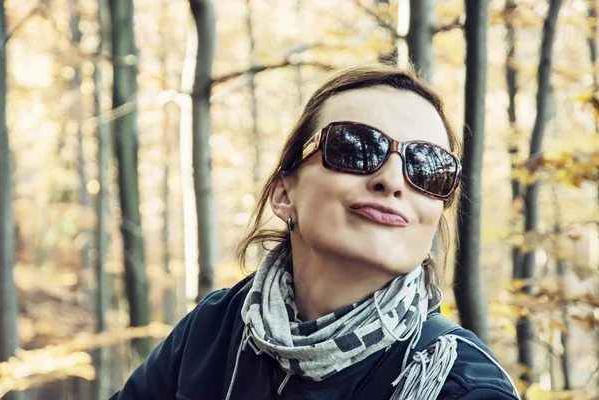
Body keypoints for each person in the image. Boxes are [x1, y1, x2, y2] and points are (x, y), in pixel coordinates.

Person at [109, 65, 520, 400]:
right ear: (284, 192)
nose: (392, 180)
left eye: (428, 168)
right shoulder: (215, 329)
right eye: (356, 147)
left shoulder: (463, 385)